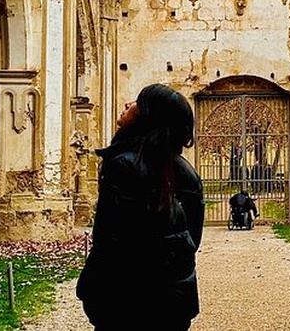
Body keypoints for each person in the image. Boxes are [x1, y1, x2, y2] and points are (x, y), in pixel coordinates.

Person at [76, 84, 205, 331]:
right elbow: (191, 241)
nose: (127, 104)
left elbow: (108, 239)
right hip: (173, 300)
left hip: (124, 300)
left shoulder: (123, 166)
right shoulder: (189, 174)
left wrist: (93, 292)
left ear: (148, 115)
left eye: (136, 101)